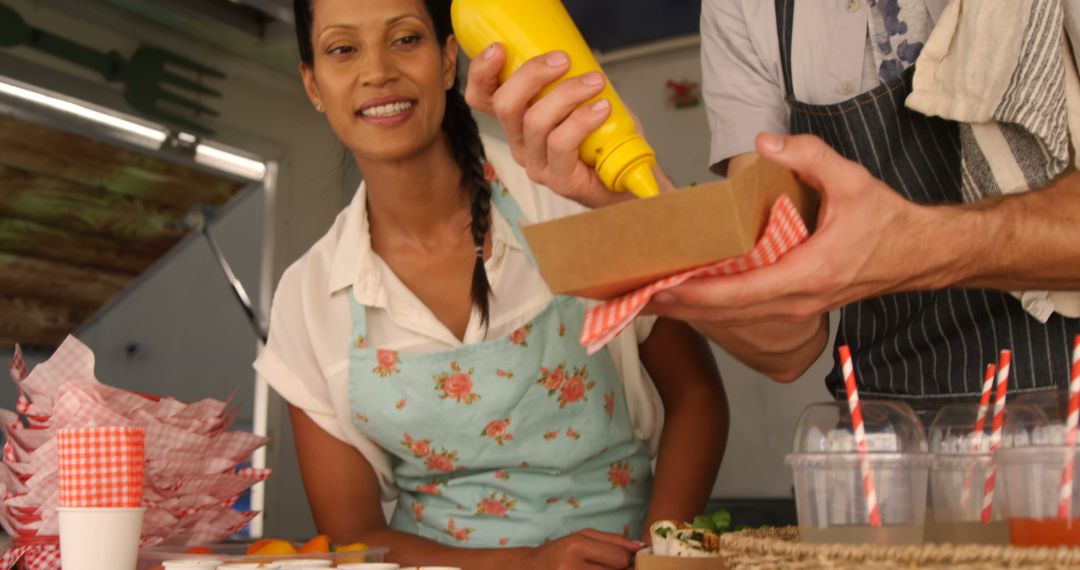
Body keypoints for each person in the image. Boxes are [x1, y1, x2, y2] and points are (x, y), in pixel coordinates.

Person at [254, 0, 727, 568]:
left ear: (449, 59)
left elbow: (696, 397)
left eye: (405, 39)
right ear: (312, 83)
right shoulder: (307, 299)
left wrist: (658, 555)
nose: (376, 71)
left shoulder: (566, 200)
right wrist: (530, 563)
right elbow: (353, 533)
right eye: (342, 49)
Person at [463, 0, 1080, 413]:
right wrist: (627, 195)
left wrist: (925, 248)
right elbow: (784, 339)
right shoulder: (746, 8)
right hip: (889, 452)